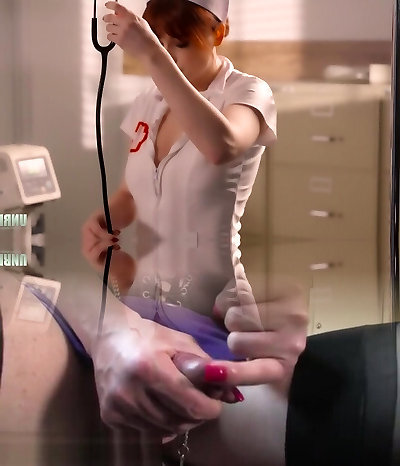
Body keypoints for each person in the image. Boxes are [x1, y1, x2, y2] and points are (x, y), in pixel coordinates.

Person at [81, 0, 308, 464]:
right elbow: (133, 190)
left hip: (214, 309)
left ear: (219, 34)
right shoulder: (148, 102)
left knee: (209, 439)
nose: (168, 55)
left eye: (179, 44)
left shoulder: (247, 93)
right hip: (140, 301)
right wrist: (104, 221)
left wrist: (150, 53)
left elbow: (221, 145)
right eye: (160, 43)